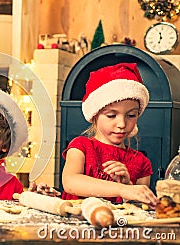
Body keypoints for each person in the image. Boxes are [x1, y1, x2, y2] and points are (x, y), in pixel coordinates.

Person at [61, 63, 158, 206]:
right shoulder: (81, 146)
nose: (122, 124)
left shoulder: (142, 163)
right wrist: (121, 189)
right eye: (111, 115)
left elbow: (140, 207)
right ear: (95, 115)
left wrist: (128, 186)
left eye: (131, 115)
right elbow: (70, 182)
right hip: (77, 226)